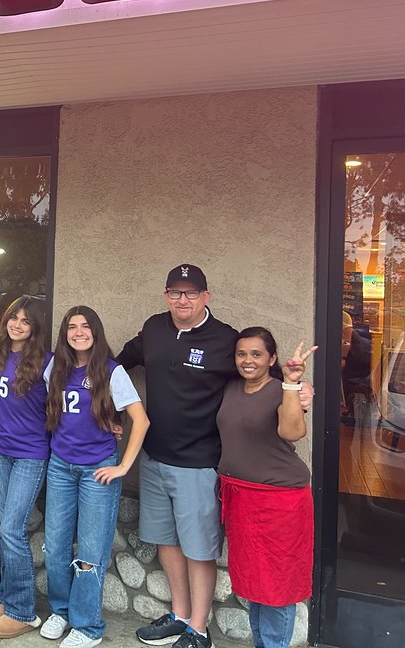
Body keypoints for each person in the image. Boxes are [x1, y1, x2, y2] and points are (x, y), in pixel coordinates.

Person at [117, 264, 238, 648]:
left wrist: (296, 391)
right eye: (175, 292)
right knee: (166, 541)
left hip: (199, 464)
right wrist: (103, 406)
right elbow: (120, 364)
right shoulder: (154, 328)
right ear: (166, 295)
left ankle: (199, 631)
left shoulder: (226, 340)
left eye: (190, 293)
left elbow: (260, 376)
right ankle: (181, 615)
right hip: (153, 459)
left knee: (199, 549)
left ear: (206, 296)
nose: (182, 300)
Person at [42, 306, 150, 648]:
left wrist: (122, 467)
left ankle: (87, 626)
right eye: (72, 327)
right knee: (56, 547)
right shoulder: (54, 369)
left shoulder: (111, 370)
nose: (78, 332)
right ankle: (60, 611)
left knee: (90, 551)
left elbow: (140, 420)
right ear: (64, 333)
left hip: (97, 470)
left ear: (95, 331)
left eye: (85, 326)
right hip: (60, 465)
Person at [217, 328, 316, 648]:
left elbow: (291, 432)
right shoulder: (231, 388)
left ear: (271, 358)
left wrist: (292, 382)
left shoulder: (282, 389)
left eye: (256, 354)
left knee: (276, 588)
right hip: (242, 501)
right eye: (242, 354)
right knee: (256, 586)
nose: (248, 361)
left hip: (279, 503)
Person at [0, 296, 51, 639]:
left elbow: (79, 397)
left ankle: (23, 610)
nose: (17, 324)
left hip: (30, 454)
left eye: (25, 321)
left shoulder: (46, 362)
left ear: (35, 327)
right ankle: (9, 599)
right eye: (13, 318)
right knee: (5, 526)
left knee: (12, 529)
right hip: (0, 449)